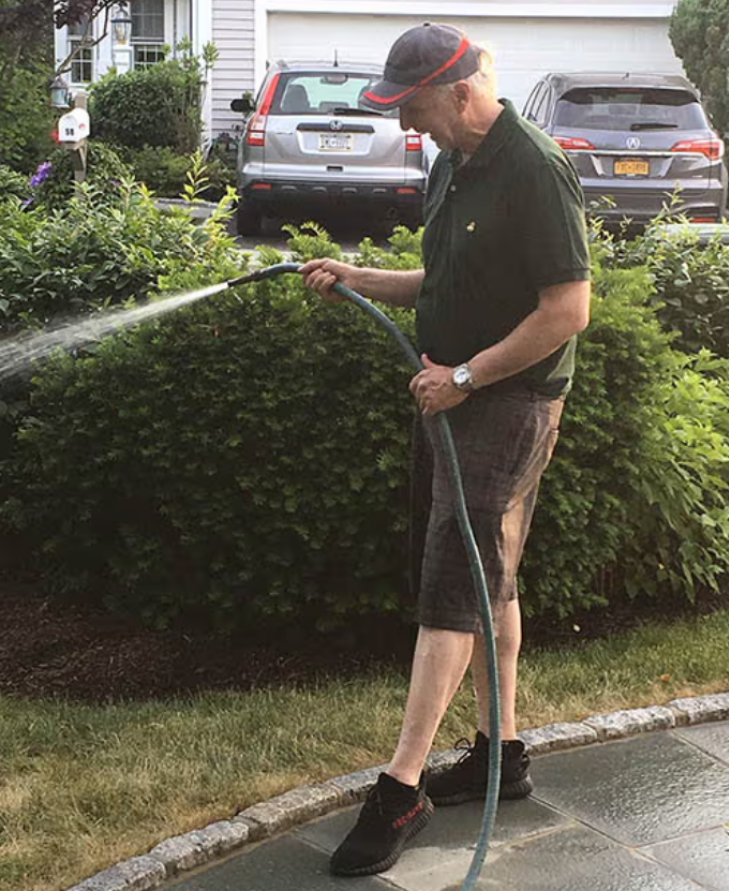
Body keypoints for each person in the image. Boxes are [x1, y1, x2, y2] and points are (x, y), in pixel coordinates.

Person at [300, 21, 591, 878]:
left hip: (505, 403)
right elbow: (444, 278)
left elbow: (566, 309)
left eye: (414, 105)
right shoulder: (451, 162)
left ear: (458, 90)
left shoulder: (532, 168)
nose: (405, 124)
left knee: (450, 587)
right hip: (456, 397)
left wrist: (464, 376)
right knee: (485, 577)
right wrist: (358, 278)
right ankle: (502, 753)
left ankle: (402, 787)